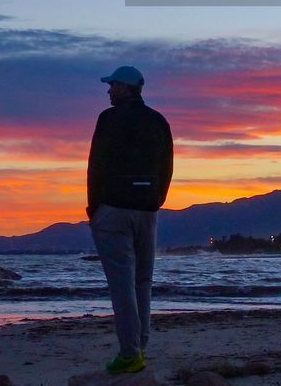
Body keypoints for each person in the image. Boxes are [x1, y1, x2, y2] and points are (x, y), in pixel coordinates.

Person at [87, 65, 174, 374]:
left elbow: (96, 164)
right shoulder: (157, 121)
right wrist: (157, 200)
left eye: (112, 86)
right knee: (142, 281)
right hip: (147, 210)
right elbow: (167, 167)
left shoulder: (108, 119)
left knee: (122, 284)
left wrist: (93, 208)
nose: (108, 91)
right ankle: (139, 348)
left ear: (125, 88)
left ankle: (130, 353)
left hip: (113, 209)